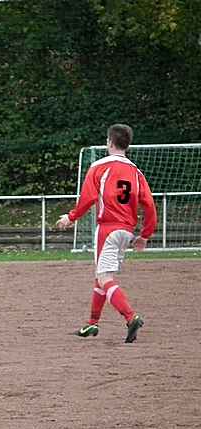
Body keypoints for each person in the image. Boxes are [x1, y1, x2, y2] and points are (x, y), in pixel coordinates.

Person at [56, 123, 157, 343]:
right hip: (126, 231)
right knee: (101, 276)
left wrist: (71, 217)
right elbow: (149, 205)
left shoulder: (100, 166)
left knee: (104, 277)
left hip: (108, 228)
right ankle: (92, 324)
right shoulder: (136, 172)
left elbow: (88, 199)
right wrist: (145, 235)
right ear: (127, 145)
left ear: (109, 142)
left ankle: (131, 317)